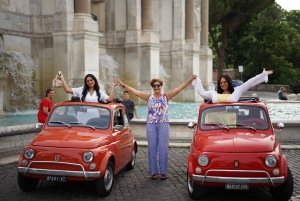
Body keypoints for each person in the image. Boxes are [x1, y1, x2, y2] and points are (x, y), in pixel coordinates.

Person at [116, 75, 197, 180]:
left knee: (163, 148)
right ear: (152, 87)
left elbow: (179, 88)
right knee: (152, 148)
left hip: (163, 124)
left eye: (158, 85)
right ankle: (154, 172)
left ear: (161, 86)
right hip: (151, 125)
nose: (156, 87)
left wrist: (190, 80)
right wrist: (123, 85)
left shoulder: (166, 96)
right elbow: (135, 91)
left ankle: (163, 173)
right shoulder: (149, 97)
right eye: (154, 86)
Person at [193, 68, 273, 103]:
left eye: (224, 82)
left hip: (230, 122)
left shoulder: (237, 90)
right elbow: (202, 93)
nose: (222, 84)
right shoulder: (214, 93)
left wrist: (263, 74)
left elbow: (250, 82)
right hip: (216, 122)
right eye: (221, 83)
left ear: (228, 82)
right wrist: (197, 79)